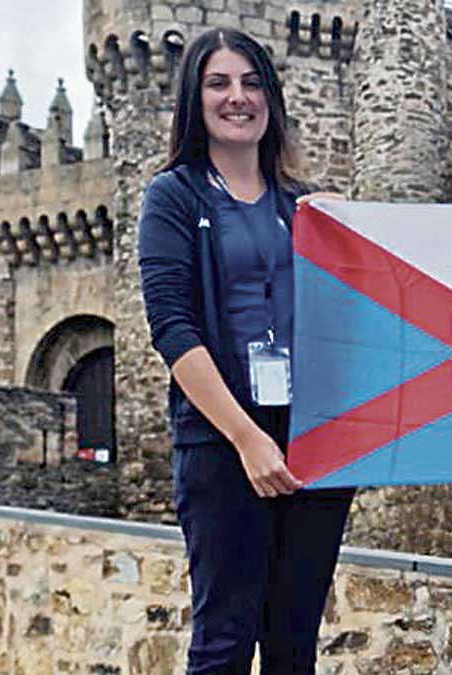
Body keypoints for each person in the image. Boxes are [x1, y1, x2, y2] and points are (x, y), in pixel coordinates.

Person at [137, 27, 355, 674]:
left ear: (272, 97)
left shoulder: (307, 208)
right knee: (223, 642)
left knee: (294, 646)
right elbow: (173, 329)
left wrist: (358, 232)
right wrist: (245, 437)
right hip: (223, 445)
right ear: (194, 99)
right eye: (220, 83)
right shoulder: (173, 197)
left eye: (252, 82)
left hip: (313, 444)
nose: (239, 97)